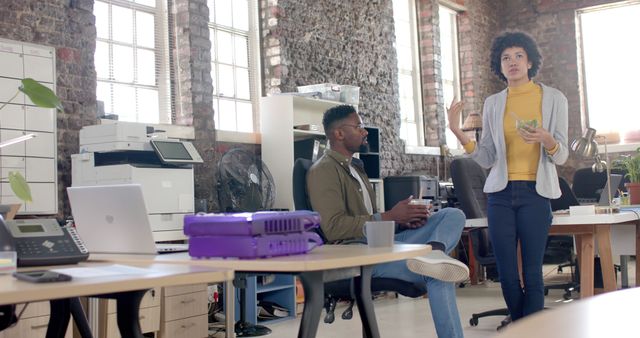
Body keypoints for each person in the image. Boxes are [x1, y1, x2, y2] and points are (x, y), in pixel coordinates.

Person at [307, 104, 469, 338]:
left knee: (453, 215)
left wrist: (403, 220)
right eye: (358, 126)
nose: (364, 132)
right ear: (338, 134)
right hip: (356, 255)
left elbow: (371, 220)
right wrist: (390, 216)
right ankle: (434, 261)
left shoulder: (356, 168)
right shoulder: (323, 170)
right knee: (439, 273)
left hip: (381, 245)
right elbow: (333, 228)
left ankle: (434, 253)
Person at [447, 31, 568, 321]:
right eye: (505, 58)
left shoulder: (553, 99)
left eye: (518, 56)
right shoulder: (493, 103)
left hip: (536, 193)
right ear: (499, 66)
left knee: (532, 274)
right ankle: (520, 326)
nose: (512, 62)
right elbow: (487, 156)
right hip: (500, 194)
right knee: (507, 274)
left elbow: (561, 155)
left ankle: (530, 330)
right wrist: (458, 132)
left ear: (529, 62)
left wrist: (547, 139)